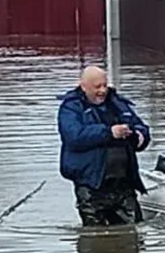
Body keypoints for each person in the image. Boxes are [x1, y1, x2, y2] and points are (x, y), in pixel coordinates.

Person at [57, 65, 151, 226]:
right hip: (91, 185)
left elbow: (141, 129)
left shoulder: (117, 104)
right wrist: (109, 132)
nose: (102, 91)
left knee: (134, 233)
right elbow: (73, 136)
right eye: (97, 87)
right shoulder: (70, 108)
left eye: (104, 85)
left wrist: (135, 136)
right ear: (84, 86)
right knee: (95, 237)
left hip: (123, 183)